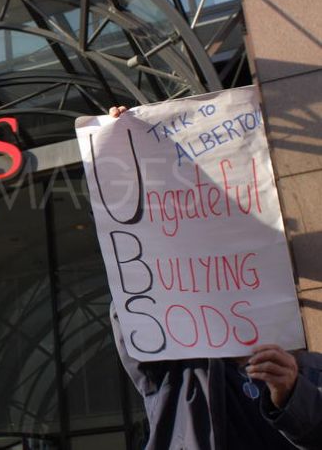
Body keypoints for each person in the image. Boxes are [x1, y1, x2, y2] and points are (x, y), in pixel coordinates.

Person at [107, 105, 322, 450]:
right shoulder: (180, 369)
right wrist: (121, 152)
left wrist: (291, 394)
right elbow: (135, 292)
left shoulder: (308, 365)